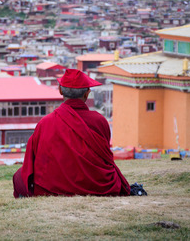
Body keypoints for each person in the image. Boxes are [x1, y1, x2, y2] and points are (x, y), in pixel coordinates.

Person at [13, 69, 130, 198]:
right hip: (96, 185)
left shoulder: (45, 122)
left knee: (19, 177)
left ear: (60, 90)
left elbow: (32, 159)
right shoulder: (99, 120)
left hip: (51, 186)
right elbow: (106, 158)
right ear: (87, 94)